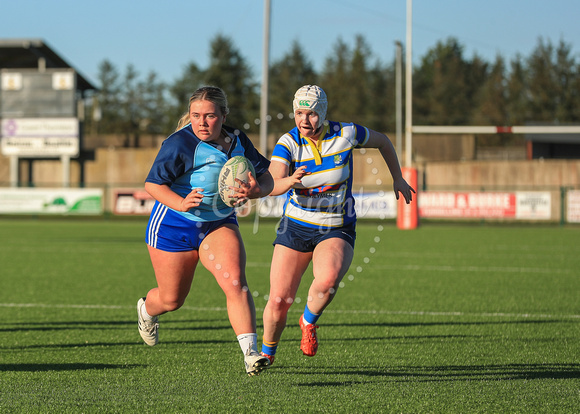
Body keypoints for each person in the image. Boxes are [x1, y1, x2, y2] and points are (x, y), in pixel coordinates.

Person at [260, 85, 415, 365]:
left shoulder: (347, 134)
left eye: (311, 114)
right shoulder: (288, 142)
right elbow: (273, 181)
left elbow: (383, 141)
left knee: (328, 280)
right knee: (279, 300)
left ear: (323, 112)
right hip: (295, 226)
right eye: (298, 113)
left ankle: (308, 322)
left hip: (336, 226)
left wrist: (398, 177)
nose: (304, 120)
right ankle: (266, 355)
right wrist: (288, 182)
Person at [137, 86, 274, 376]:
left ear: (224, 116)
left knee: (236, 282)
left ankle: (251, 353)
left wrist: (256, 189)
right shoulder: (178, 144)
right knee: (171, 299)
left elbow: (266, 176)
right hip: (173, 226)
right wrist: (181, 203)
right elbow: (152, 184)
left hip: (218, 222)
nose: (201, 122)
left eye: (209, 116)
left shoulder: (238, 140)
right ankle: (147, 311)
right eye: (196, 115)